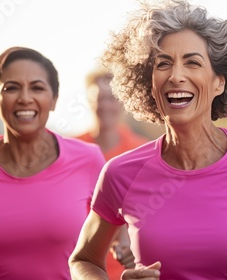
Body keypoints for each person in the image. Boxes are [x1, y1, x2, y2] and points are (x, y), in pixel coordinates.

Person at [69, 1, 227, 279]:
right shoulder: (121, 173)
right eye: (163, 64)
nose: (176, 76)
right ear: (149, 84)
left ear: (219, 82)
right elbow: (84, 260)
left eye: (192, 62)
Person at [0, 47, 105, 279]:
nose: (25, 98)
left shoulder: (88, 160)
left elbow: (117, 233)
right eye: (11, 88)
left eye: (37, 87)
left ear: (53, 99)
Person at [76, 68, 150, 279]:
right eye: (98, 98)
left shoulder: (141, 152)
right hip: (80, 270)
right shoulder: (72, 151)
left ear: (123, 102)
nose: (104, 105)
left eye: (111, 98)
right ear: (89, 101)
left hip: (128, 270)